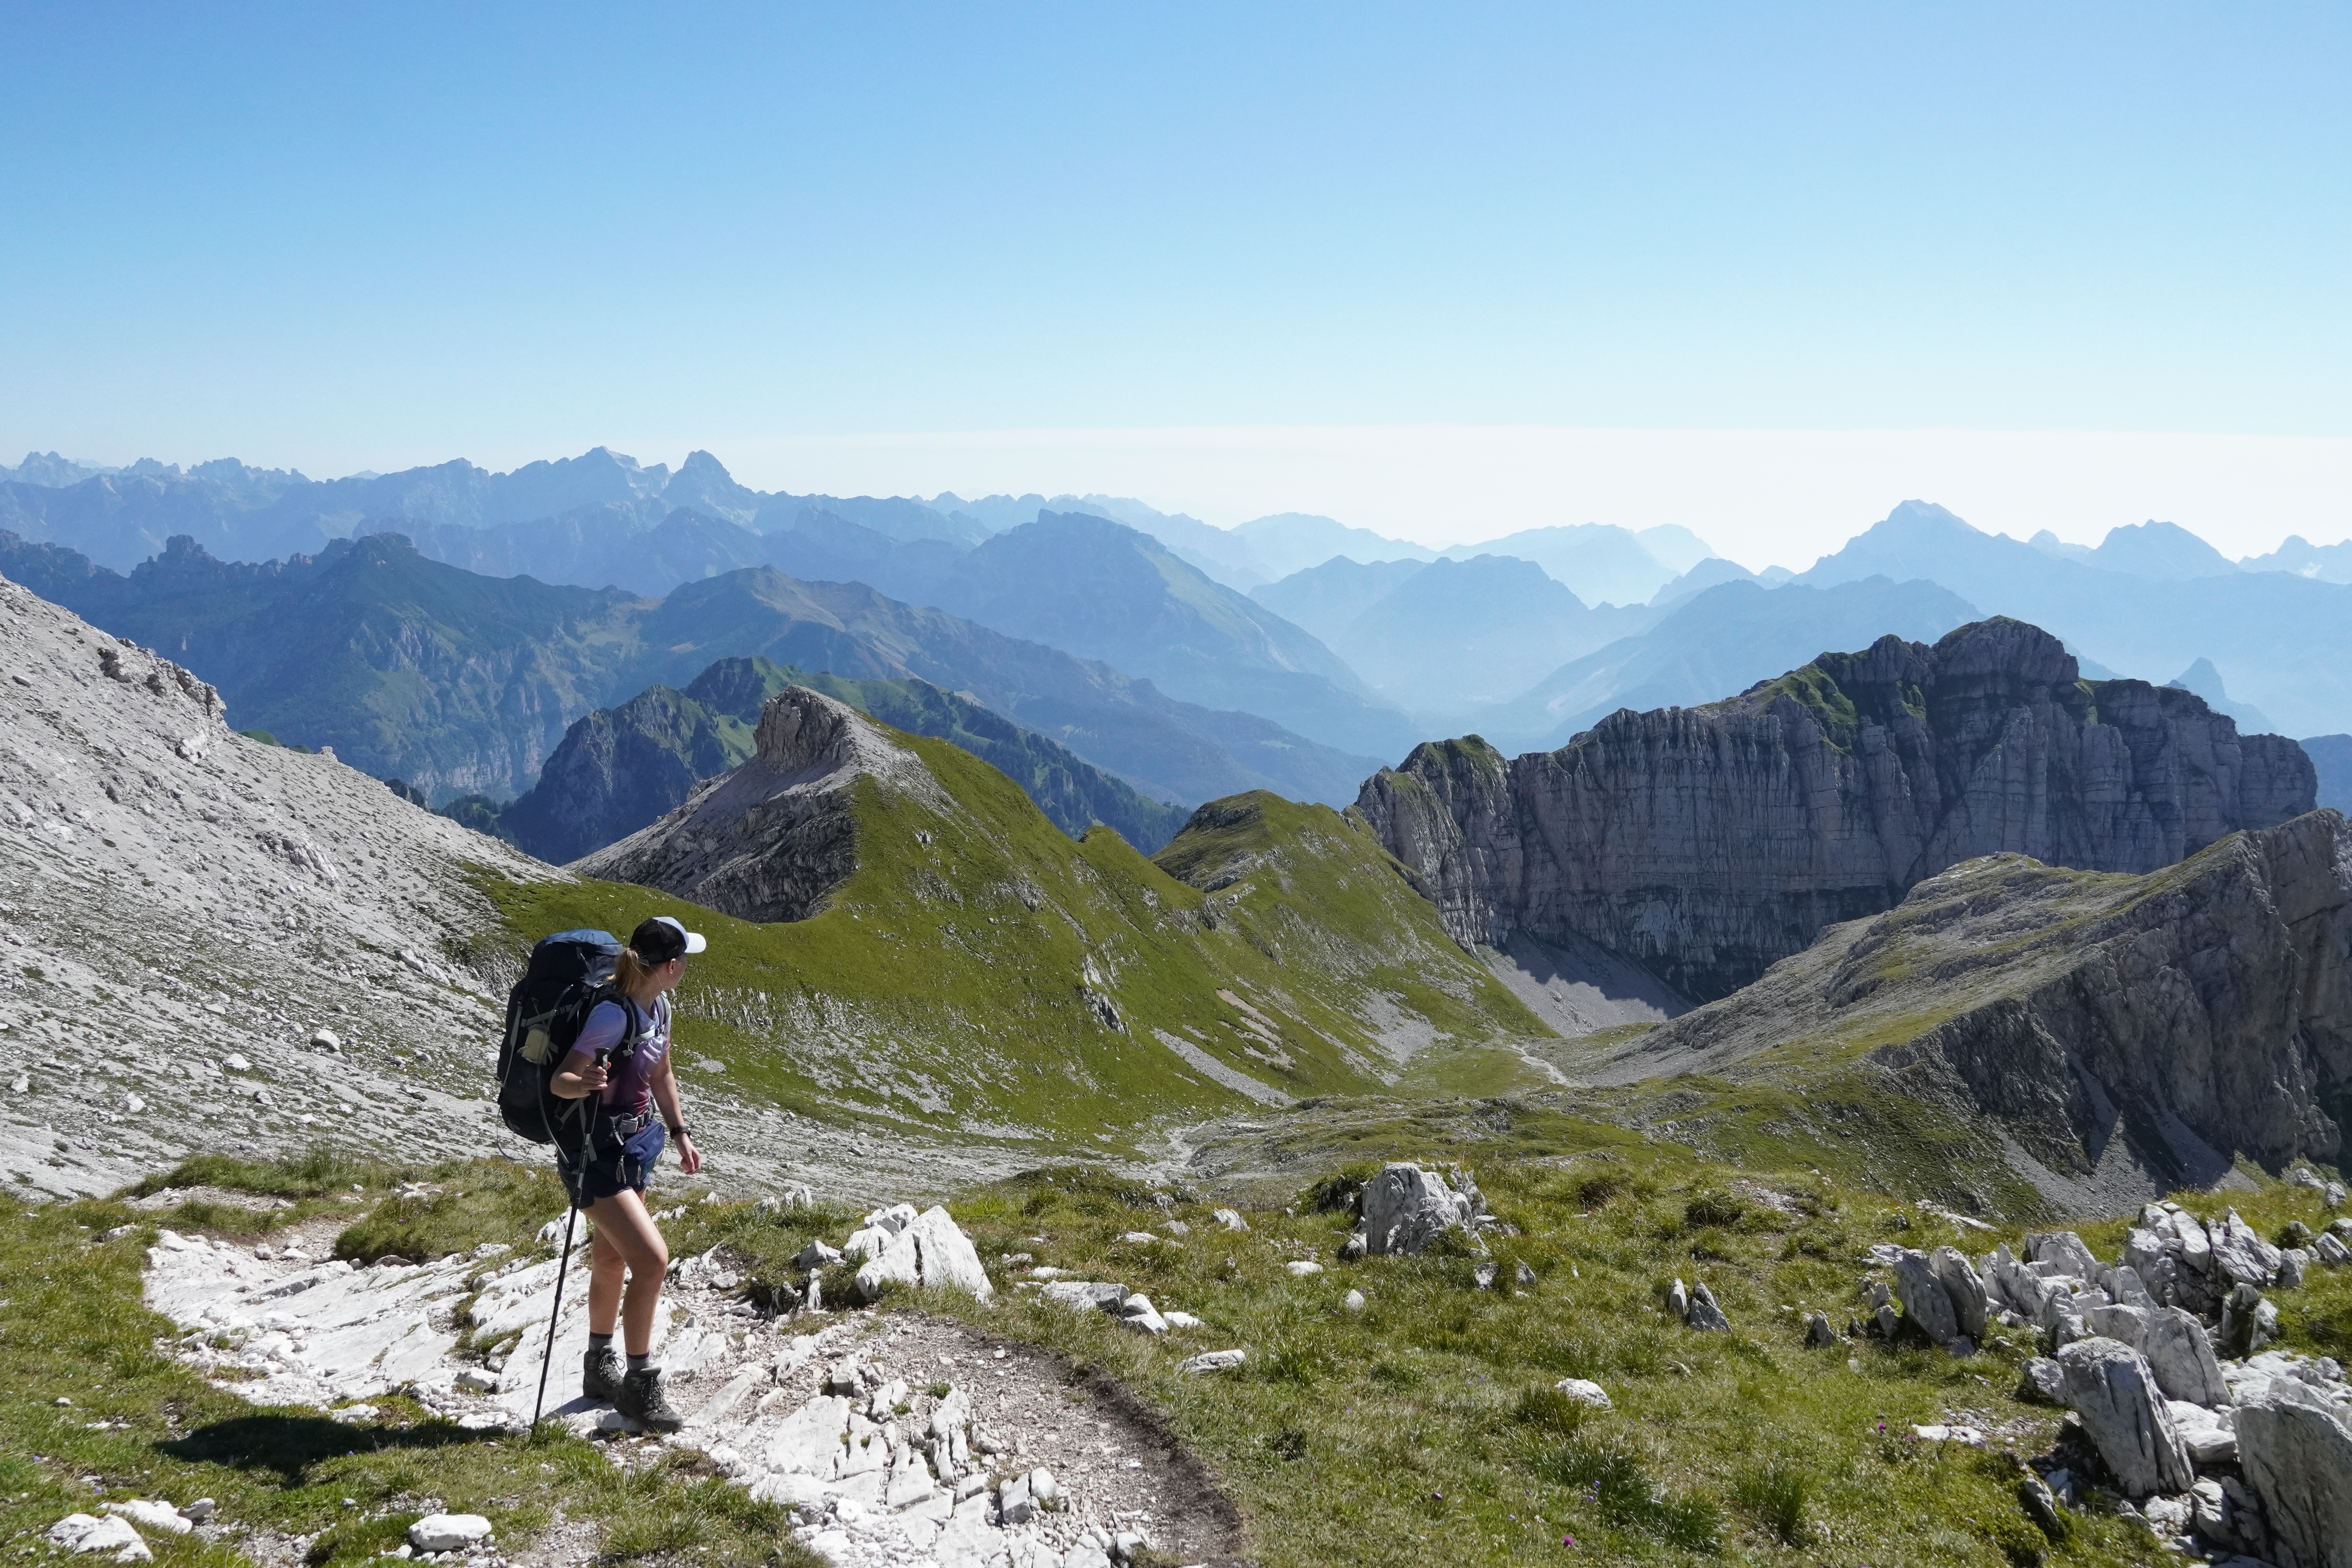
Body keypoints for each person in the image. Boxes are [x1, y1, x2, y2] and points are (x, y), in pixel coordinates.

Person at [548, 913, 706, 1430]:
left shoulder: (658, 1009)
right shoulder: (614, 1017)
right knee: (654, 1261)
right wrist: (584, 1081)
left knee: (613, 1260)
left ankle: (599, 1369)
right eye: (685, 960)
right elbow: (561, 1082)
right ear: (673, 965)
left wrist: (680, 1134)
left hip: (633, 1146)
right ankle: (639, 1386)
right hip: (594, 1157)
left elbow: (661, 1073)